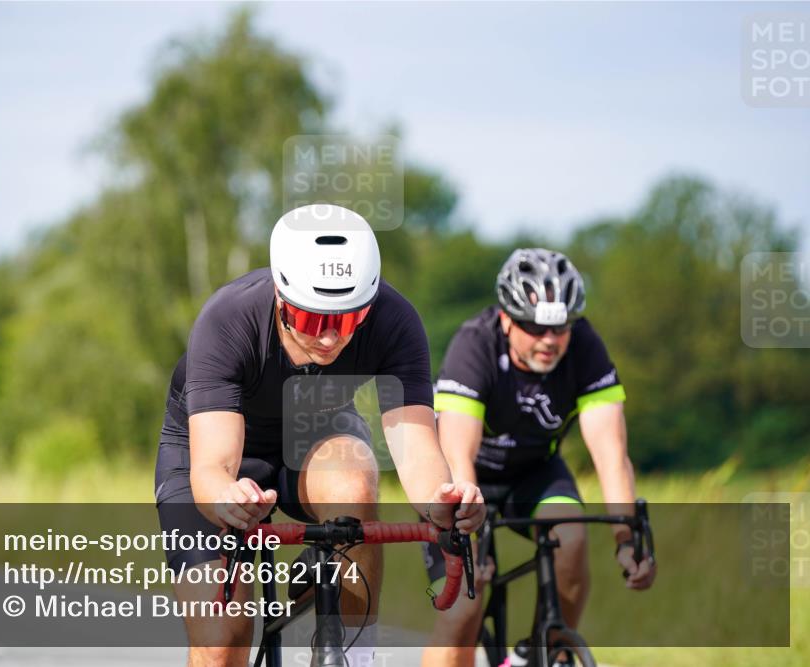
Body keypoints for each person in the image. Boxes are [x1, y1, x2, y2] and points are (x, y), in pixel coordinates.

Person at [154, 204, 485, 667]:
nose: (330, 338)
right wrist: (226, 498)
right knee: (222, 636)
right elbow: (214, 469)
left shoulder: (395, 321)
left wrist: (443, 500)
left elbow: (416, 451)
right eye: (312, 321)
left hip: (317, 437)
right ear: (280, 297)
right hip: (213, 456)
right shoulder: (228, 319)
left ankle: (353, 654)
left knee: (354, 483)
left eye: (348, 320)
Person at [421, 248, 657, 667]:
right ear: (507, 319)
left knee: (572, 538)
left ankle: (543, 653)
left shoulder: (585, 347)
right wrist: (468, 539)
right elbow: (458, 451)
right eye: (535, 327)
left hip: (533, 473)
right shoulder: (474, 344)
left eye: (561, 327)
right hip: (463, 478)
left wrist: (627, 537)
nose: (550, 340)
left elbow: (611, 453)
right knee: (464, 606)